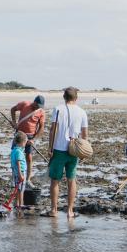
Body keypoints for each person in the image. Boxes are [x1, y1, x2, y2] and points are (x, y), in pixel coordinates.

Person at [47, 87, 88, 218]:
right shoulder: (82, 112)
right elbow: (85, 134)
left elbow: (53, 130)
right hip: (74, 150)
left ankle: (54, 210)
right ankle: (70, 211)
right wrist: (83, 152)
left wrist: (50, 148)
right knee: (72, 180)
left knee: (55, 180)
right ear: (76, 98)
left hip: (59, 149)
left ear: (64, 97)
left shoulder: (58, 109)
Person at [10, 95, 46, 181]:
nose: (38, 108)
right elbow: (13, 109)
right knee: (15, 154)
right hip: (19, 134)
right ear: (34, 102)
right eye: (37, 106)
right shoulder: (24, 104)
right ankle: (14, 176)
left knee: (29, 157)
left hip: (30, 137)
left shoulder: (41, 112)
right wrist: (14, 122)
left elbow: (41, 128)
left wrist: (34, 139)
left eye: (40, 107)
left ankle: (28, 179)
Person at [10, 131, 28, 210]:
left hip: (15, 172)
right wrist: (21, 175)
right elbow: (18, 163)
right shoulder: (19, 152)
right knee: (21, 189)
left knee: (18, 188)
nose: (25, 145)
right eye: (25, 143)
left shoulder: (14, 150)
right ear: (22, 142)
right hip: (21, 172)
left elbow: (13, 163)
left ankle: (17, 204)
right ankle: (21, 205)